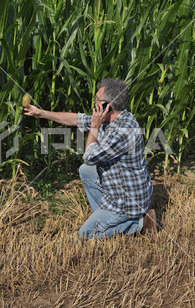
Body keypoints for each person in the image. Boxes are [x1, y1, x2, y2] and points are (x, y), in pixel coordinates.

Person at [23, 78, 156, 239]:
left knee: (86, 234)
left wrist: (94, 127)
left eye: (97, 100)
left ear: (108, 106)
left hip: (127, 203)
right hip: (121, 189)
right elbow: (75, 119)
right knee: (86, 171)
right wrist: (41, 113)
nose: (94, 103)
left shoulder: (122, 131)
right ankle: (105, 218)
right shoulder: (117, 117)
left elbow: (89, 156)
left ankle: (141, 223)